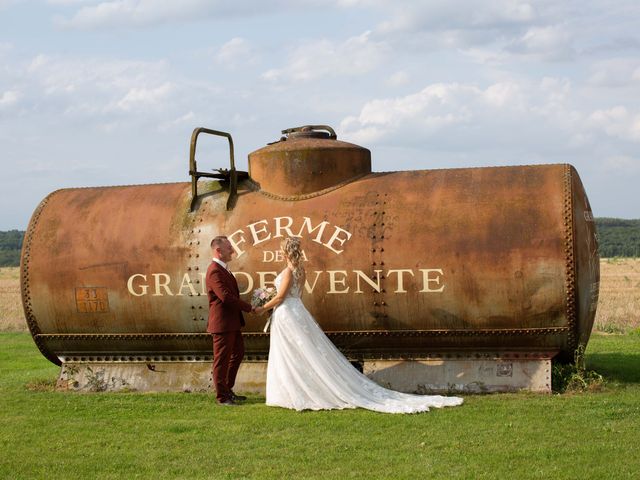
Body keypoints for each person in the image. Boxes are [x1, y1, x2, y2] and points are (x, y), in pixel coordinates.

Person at [255, 237, 464, 413]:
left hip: (287, 314)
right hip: (297, 311)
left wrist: (262, 308)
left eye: (281, 250)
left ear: (286, 251)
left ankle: (293, 392)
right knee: (300, 353)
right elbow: (298, 295)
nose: (280, 253)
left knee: (291, 353)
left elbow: (281, 296)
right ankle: (299, 389)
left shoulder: (289, 272)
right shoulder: (302, 270)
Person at [206, 235, 254, 406]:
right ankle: (222, 396)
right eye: (229, 248)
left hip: (232, 322)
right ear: (218, 251)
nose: (232, 251)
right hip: (222, 324)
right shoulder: (214, 271)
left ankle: (228, 389)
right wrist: (250, 308)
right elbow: (225, 297)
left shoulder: (224, 269)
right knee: (221, 360)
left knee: (238, 353)